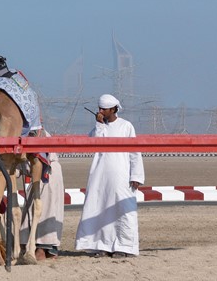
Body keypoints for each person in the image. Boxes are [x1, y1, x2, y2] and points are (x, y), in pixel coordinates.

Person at [75, 94, 145, 258]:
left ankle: (124, 247)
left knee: (123, 210)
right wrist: (99, 125)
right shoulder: (98, 128)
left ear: (113, 109)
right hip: (100, 176)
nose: (100, 111)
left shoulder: (126, 126)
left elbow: (135, 152)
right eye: (99, 109)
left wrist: (136, 175)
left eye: (104, 109)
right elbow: (94, 144)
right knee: (100, 209)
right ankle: (101, 246)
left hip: (121, 176)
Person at [19, 129, 64, 260]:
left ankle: (43, 248)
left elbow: (37, 159)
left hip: (47, 174)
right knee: (36, 208)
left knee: (47, 210)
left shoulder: (37, 133)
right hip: (38, 178)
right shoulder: (23, 133)